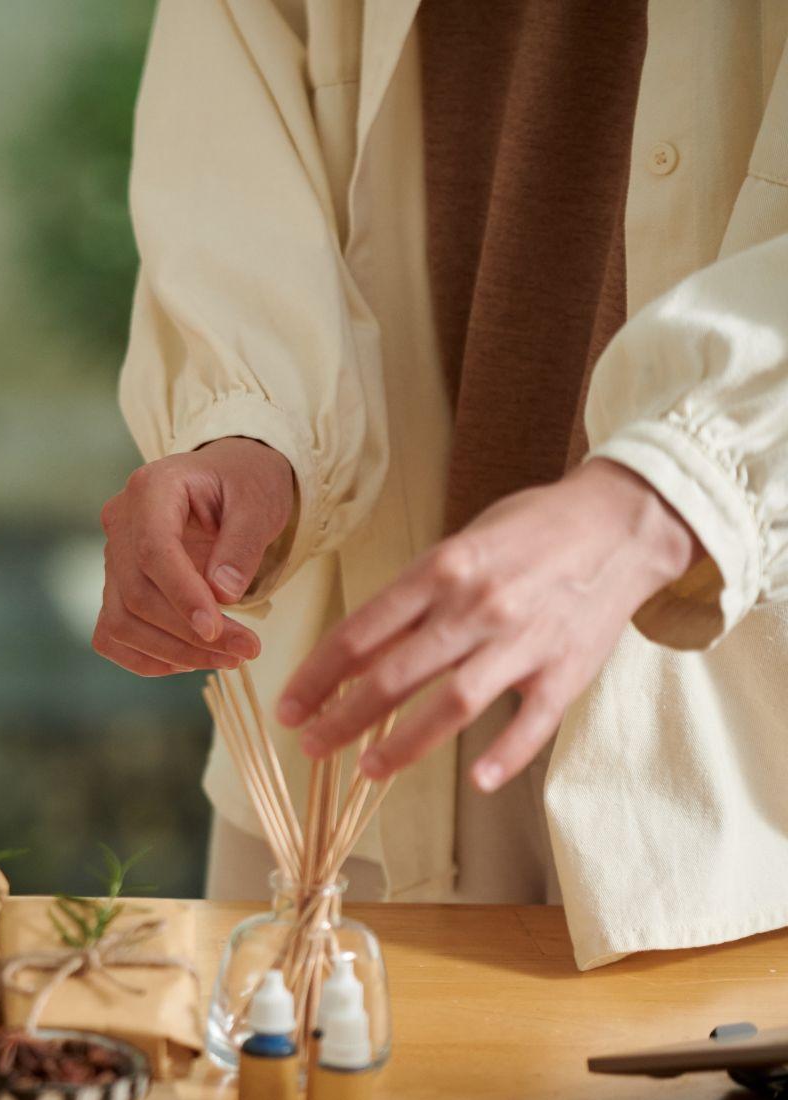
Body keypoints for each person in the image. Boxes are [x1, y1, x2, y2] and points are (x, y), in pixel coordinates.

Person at [95, 1, 788, 966]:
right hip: (361, 715)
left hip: (736, 765)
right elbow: (235, 97)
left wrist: (677, 486)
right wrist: (249, 429)